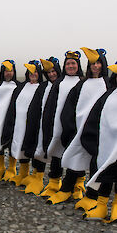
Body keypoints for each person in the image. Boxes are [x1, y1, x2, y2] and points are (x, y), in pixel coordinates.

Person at [47, 48, 110, 205]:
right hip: (80, 130)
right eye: (92, 63)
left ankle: (92, 196)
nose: (95, 66)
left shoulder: (108, 85)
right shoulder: (82, 84)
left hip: (102, 131)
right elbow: (68, 108)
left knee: (99, 164)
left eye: (98, 63)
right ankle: (66, 189)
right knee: (76, 158)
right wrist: (69, 127)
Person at [40, 51, 83, 201]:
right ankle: (53, 183)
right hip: (58, 125)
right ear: (64, 66)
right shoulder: (59, 82)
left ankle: (77, 185)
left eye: (73, 63)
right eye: (68, 64)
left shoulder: (82, 82)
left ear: (78, 66)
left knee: (76, 155)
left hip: (76, 126)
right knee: (56, 153)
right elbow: (51, 106)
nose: (70, 66)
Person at [80, 63, 117, 222]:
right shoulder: (109, 95)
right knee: (105, 171)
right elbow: (94, 117)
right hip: (107, 144)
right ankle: (101, 204)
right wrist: (90, 139)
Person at [21, 57, 62, 195]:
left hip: (57, 125)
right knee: (39, 148)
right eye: (49, 72)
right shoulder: (43, 87)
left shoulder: (63, 85)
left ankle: (55, 182)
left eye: (53, 71)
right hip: (41, 124)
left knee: (56, 153)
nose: (51, 75)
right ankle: (37, 177)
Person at [1, 60, 43, 188]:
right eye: (30, 72)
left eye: (35, 71)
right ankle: (23, 173)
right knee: (21, 147)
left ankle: (37, 177)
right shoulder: (21, 87)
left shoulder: (43, 87)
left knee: (36, 149)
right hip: (20, 124)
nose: (33, 74)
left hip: (36, 126)